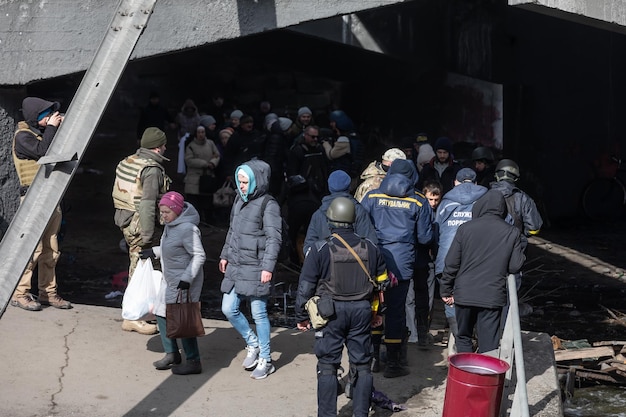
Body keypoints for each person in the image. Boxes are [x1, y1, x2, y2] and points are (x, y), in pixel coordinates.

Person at [295, 197, 388, 417]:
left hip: (330, 314)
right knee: (363, 365)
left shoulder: (319, 250)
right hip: (362, 312)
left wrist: (302, 315)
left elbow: (305, 287)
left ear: (330, 222)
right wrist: (377, 313)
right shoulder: (371, 248)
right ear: (353, 220)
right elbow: (382, 285)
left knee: (327, 366)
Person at [361, 159, 433, 378]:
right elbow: (425, 237)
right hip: (402, 264)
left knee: (373, 307)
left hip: (373, 262)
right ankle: (394, 363)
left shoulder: (371, 197)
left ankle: (372, 358)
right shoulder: (419, 201)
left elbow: (361, 229)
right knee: (395, 311)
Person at [439, 190, 525, 353]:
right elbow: (514, 266)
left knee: (463, 338)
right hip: (492, 296)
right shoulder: (512, 232)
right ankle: (484, 376)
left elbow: (451, 263)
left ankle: (466, 376)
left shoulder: (465, 229)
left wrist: (446, 290)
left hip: (464, 294)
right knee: (489, 345)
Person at [219, 159, 281, 380]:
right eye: (240, 181)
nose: (241, 186)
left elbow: (275, 239)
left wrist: (268, 267)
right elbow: (232, 231)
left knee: (259, 313)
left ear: (258, 180)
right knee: (228, 308)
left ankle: (266, 358)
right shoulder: (239, 199)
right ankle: (252, 343)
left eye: (245, 182)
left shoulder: (269, 204)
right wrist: (225, 254)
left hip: (256, 267)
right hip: (236, 265)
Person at [10, 97, 72, 311]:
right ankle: (20, 293)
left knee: (51, 248)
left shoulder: (40, 134)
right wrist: (52, 128)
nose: (49, 119)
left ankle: (48, 292)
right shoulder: (23, 137)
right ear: (35, 118)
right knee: (32, 249)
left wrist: (59, 126)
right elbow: (42, 152)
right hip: (32, 200)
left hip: (50, 198)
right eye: (46, 115)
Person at [139, 191, 206, 375]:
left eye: (167, 212)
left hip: (184, 282)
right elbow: (171, 248)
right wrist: (153, 252)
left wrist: (187, 278)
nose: (163, 216)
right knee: (160, 313)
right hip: (169, 279)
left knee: (183, 319)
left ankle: (193, 361)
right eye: (161, 212)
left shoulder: (188, 229)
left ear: (177, 211)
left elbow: (199, 255)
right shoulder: (171, 225)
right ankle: (172, 353)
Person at [113, 127, 171, 335]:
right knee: (139, 268)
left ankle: (144, 310)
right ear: (157, 148)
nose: (165, 148)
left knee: (141, 266)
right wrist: (148, 234)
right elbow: (147, 204)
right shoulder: (152, 170)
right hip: (141, 224)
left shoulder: (129, 161)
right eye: (164, 145)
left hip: (126, 220)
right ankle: (133, 316)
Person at [434, 168, 487, 341]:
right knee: (476, 297)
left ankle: (460, 340)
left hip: (447, 259)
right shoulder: (485, 200)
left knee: (450, 298)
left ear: (455, 182)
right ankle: (477, 339)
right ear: (476, 183)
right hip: (476, 261)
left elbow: (435, 231)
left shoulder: (445, 202)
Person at [303, 170, 377, 256]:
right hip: (354, 264)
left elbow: (309, 246)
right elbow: (371, 242)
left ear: (329, 187)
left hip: (326, 265)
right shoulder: (359, 210)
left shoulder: (318, 214)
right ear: (349, 187)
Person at [285, 125, 329, 264]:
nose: (315, 139)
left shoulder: (319, 150)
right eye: (312, 136)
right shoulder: (297, 151)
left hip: (316, 196)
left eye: (317, 137)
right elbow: (291, 174)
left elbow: (325, 169)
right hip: (300, 196)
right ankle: (293, 257)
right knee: (294, 230)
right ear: (305, 135)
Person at [184, 124, 221, 224]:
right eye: (199, 132)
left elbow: (217, 155)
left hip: (208, 177)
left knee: (207, 200)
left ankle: (209, 220)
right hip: (194, 178)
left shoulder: (210, 143)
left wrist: (213, 163)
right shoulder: (191, 146)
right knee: (195, 201)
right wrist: (205, 164)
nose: (201, 134)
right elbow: (189, 160)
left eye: (203, 132)